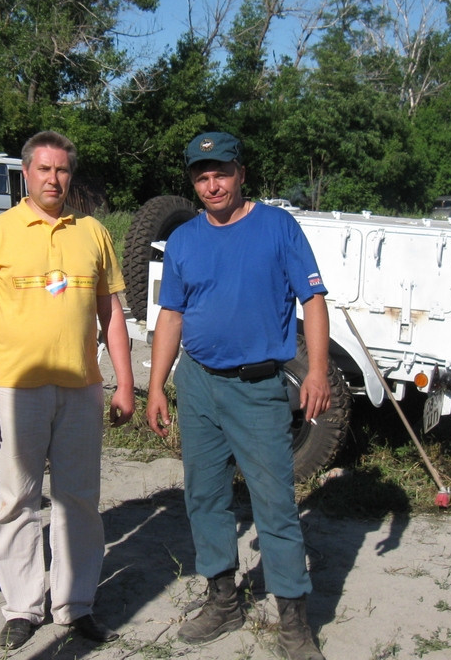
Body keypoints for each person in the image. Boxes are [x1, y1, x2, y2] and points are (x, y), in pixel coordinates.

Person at [145, 132, 330, 660]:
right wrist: (157, 385)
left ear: (241, 172)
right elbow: (171, 315)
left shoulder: (278, 227)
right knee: (204, 495)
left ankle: (293, 621)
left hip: (258, 388)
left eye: (221, 172)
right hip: (198, 382)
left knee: (274, 504)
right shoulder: (183, 239)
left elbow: (313, 300)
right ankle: (223, 599)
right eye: (202, 177)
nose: (212, 184)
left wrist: (316, 371)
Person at [0, 130, 135, 651]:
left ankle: (74, 605)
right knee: (16, 500)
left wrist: (125, 382)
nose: (53, 179)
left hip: (82, 389)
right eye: (44, 169)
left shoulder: (94, 234)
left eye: (61, 170)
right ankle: (22, 606)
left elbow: (112, 315)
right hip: (18, 390)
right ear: (25, 173)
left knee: (79, 500)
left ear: (69, 175)